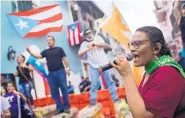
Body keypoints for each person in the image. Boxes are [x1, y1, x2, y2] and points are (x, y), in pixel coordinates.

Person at [110, 26, 185, 117]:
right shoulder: (150, 71)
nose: (132, 49)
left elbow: (143, 115)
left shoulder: (167, 73)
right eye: (131, 44)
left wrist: (126, 75)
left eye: (137, 43)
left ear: (156, 48)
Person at [27, 35, 70, 114]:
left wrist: (67, 68)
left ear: (54, 41)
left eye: (50, 40)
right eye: (47, 40)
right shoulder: (46, 51)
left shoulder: (59, 49)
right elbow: (39, 56)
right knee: (54, 91)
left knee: (64, 89)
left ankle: (67, 107)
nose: (49, 41)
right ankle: (59, 108)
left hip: (60, 71)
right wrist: (30, 52)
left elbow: (65, 59)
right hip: (51, 73)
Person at [78, 29, 120, 106]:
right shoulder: (84, 44)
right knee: (93, 84)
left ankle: (115, 98)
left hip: (104, 64)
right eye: (87, 34)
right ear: (85, 36)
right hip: (93, 66)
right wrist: (87, 48)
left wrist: (95, 44)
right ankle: (93, 102)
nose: (89, 35)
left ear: (91, 33)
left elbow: (104, 45)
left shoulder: (98, 38)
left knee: (110, 81)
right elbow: (79, 54)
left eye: (89, 33)